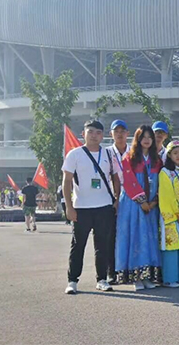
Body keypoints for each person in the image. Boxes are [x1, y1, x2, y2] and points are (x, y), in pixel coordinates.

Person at [62, 120, 121, 295]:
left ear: (103, 136)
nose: (94, 135)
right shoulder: (74, 154)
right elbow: (66, 181)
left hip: (104, 206)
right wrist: (69, 207)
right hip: (81, 207)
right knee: (78, 245)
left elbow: (116, 178)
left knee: (102, 245)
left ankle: (101, 279)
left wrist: (116, 200)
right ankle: (72, 281)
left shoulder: (109, 154)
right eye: (91, 132)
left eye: (98, 132)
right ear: (83, 134)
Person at [115, 125, 162, 291]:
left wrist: (154, 201)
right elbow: (129, 181)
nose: (147, 140)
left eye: (150, 137)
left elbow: (161, 181)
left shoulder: (157, 160)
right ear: (138, 139)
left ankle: (147, 276)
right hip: (133, 204)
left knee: (149, 238)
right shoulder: (129, 157)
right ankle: (136, 277)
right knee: (135, 237)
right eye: (143, 137)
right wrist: (142, 201)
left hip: (151, 205)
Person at [158, 140, 179, 288]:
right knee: (171, 246)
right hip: (170, 215)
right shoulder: (165, 173)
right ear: (169, 155)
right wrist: (176, 213)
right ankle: (169, 278)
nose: (178, 156)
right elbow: (166, 195)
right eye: (175, 153)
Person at [108, 119, 129, 283]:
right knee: (111, 235)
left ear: (128, 134)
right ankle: (111, 271)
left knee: (129, 234)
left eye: (122, 131)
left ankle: (128, 270)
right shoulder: (106, 153)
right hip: (111, 198)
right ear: (111, 134)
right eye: (116, 131)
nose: (120, 134)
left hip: (131, 197)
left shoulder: (134, 153)